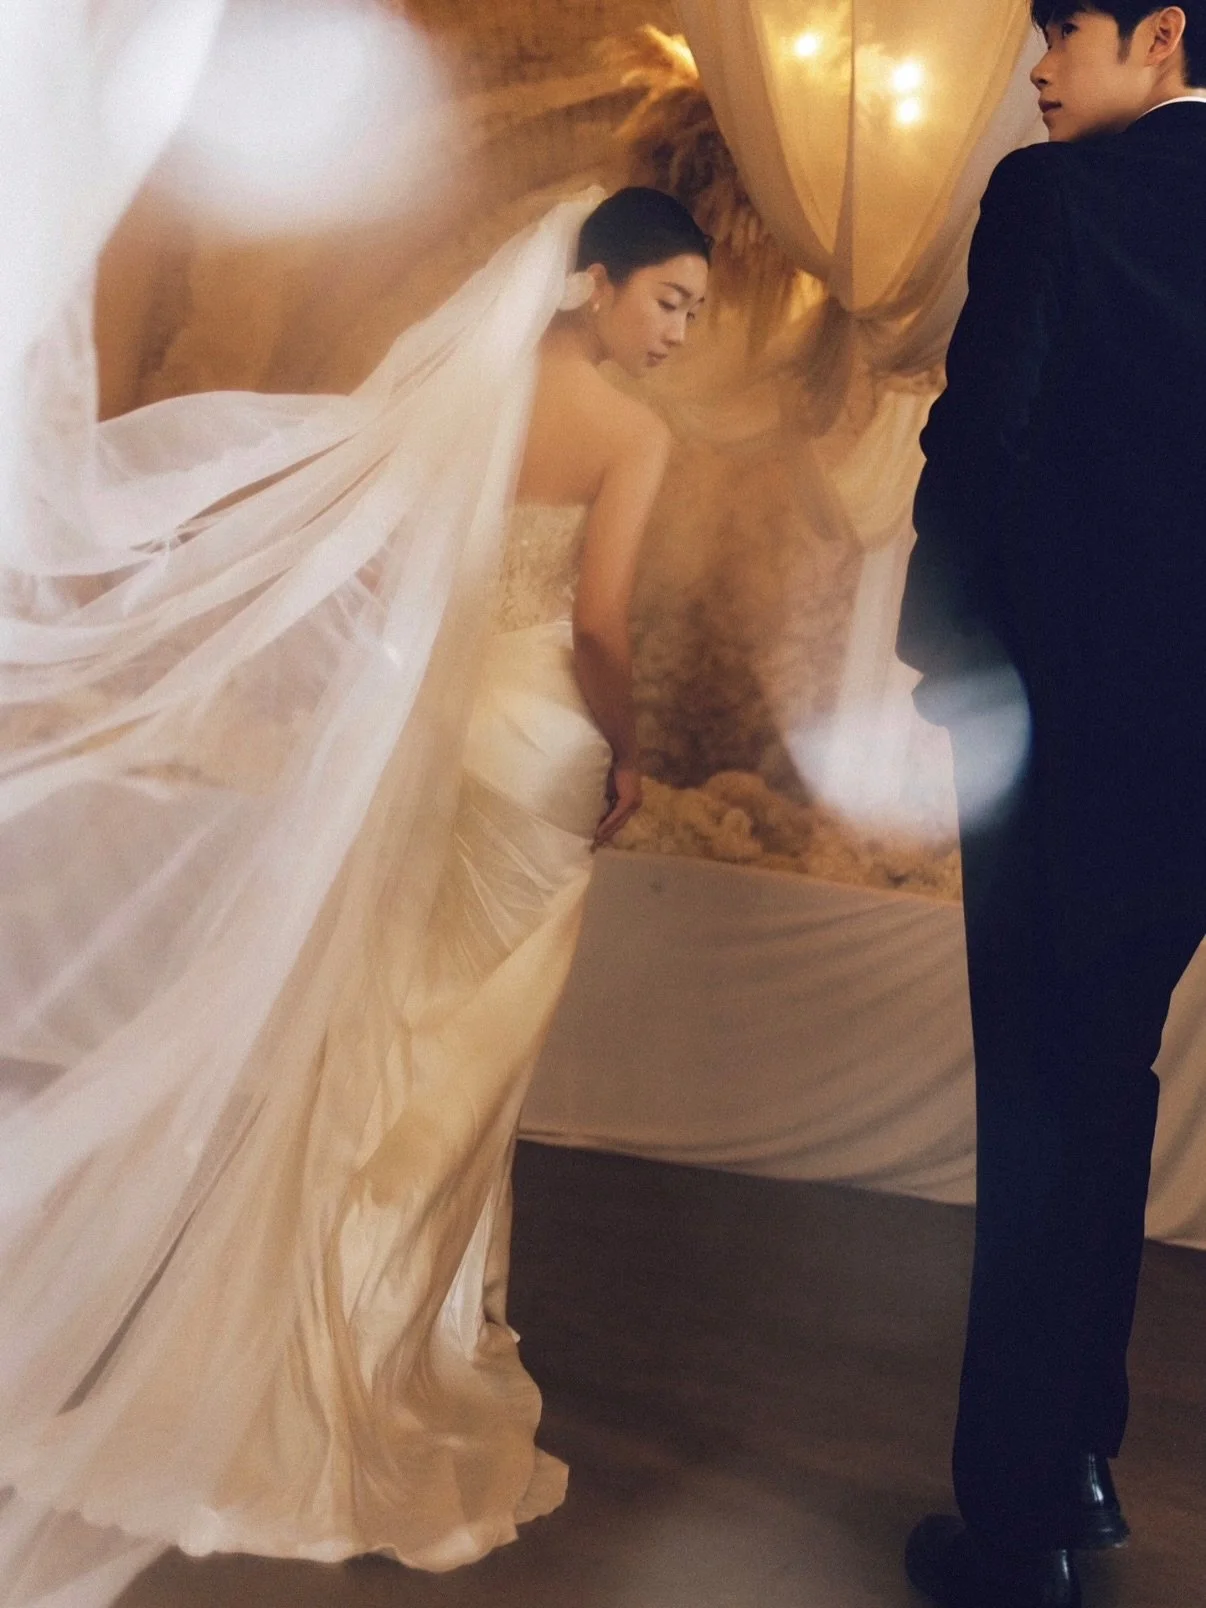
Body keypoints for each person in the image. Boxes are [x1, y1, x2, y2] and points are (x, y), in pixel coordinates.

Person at [0, 186, 707, 1606]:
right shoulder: (634, 435)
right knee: (459, 1076)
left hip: (429, 744)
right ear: (596, 282)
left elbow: (387, 580)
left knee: (380, 1041)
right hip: (535, 751)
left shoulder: (463, 396)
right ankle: (373, 1370)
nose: (681, 333)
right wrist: (634, 753)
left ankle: (308, 1351)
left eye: (693, 312)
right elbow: (596, 628)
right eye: (670, 300)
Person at [896, 6, 1206, 1605]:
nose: (1034, 65)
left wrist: (941, 668)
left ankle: (1023, 1530)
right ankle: (1073, 1455)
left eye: (1059, 28)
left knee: (1046, 1110)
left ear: (1157, 36)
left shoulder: (1051, 198)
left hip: (1062, 749)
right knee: (1108, 1092)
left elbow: (977, 446)